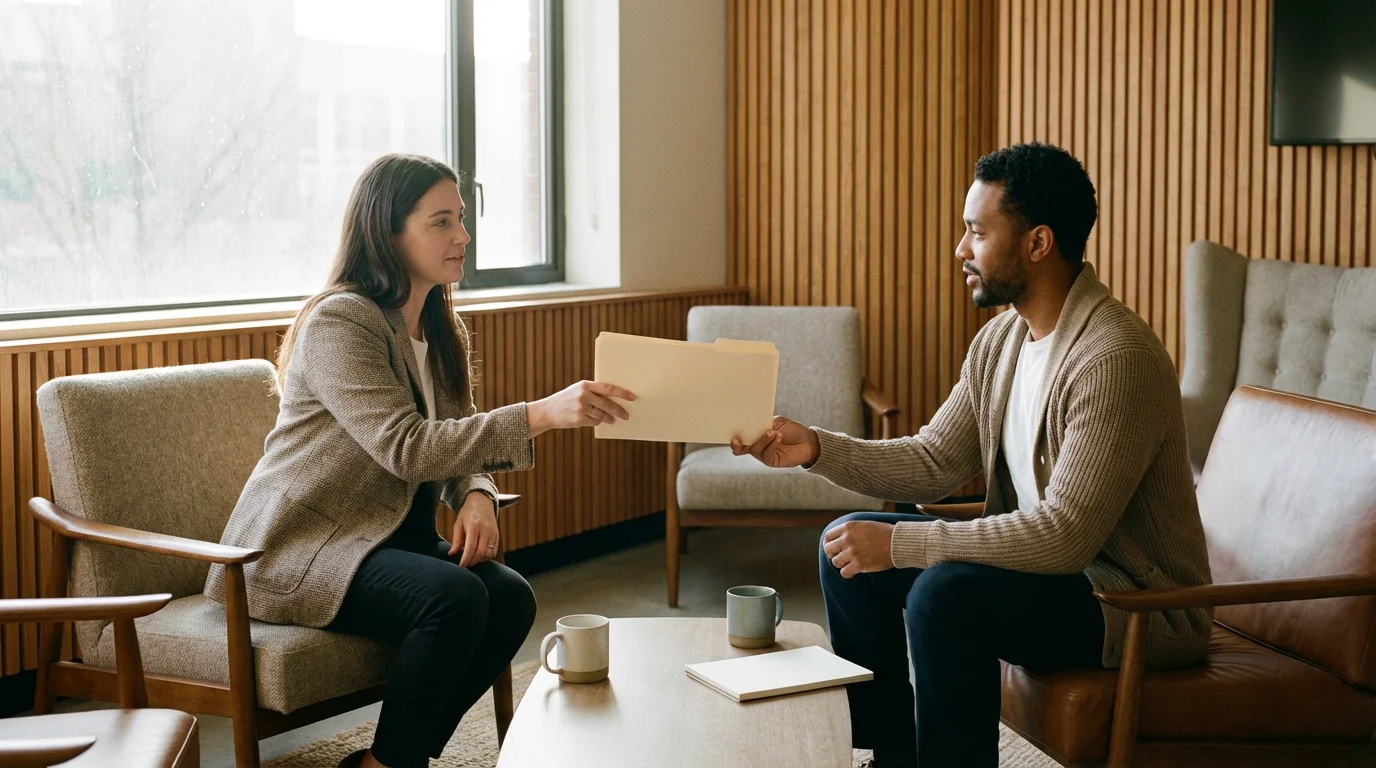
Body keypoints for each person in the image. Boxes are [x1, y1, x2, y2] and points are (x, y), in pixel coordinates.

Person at [732, 143, 1212, 767]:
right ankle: (891, 754)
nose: (960, 250)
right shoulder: (1002, 340)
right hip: (1059, 578)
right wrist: (819, 448)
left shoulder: (1116, 359)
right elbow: (935, 459)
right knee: (846, 546)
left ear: (1037, 244)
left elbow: (1066, 535)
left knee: (944, 594)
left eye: (976, 232)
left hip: (1130, 604)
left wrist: (906, 547)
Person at [205, 154, 635, 768]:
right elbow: (407, 446)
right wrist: (542, 412)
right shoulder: (341, 321)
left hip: (382, 541)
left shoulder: (440, 327)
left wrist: (479, 494)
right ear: (388, 233)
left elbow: (456, 437)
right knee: (455, 597)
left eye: (460, 218)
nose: (462, 236)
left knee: (510, 597)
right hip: (295, 551)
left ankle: (393, 758)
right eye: (441, 222)